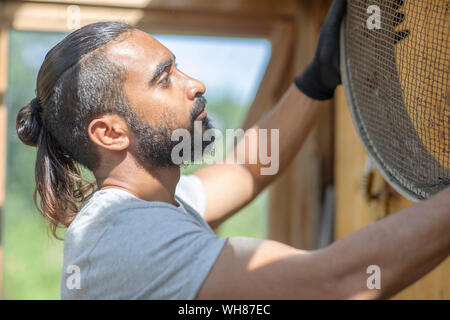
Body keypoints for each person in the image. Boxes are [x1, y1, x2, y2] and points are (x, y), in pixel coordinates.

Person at [16, 0, 449, 299]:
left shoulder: (154, 205)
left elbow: (248, 168)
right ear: (109, 134)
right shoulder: (123, 239)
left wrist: (318, 78)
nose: (196, 84)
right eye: (164, 78)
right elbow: (334, 285)